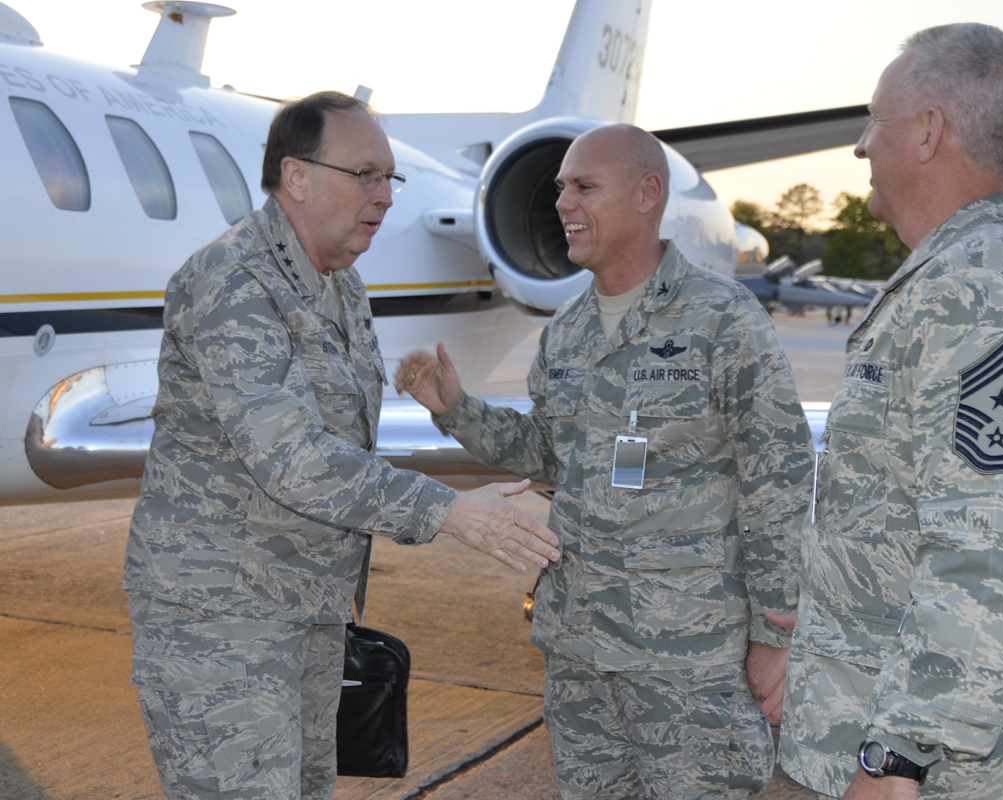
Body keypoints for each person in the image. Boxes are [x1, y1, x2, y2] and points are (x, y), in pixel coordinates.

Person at [123, 91, 560, 800]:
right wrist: (451, 511)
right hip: (223, 622)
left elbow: (336, 433)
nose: (386, 197)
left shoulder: (341, 284)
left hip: (307, 613)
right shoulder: (235, 281)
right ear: (296, 176)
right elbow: (292, 457)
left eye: (391, 178)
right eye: (366, 175)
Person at [398, 123, 814, 800]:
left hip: (685, 660)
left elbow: (780, 479)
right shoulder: (567, 332)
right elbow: (551, 455)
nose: (562, 203)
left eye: (584, 187)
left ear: (647, 194)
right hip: (580, 655)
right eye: (561, 188)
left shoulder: (721, 320)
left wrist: (775, 632)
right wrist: (456, 408)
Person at [764, 23, 1003, 800]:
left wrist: (896, 759)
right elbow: (912, 506)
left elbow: (987, 548)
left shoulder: (978, 297)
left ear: (925, 133)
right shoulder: (951, 279)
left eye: (872, 121)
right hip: (866, 714)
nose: (858, 147)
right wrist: (828, 601)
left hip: (933, 769)